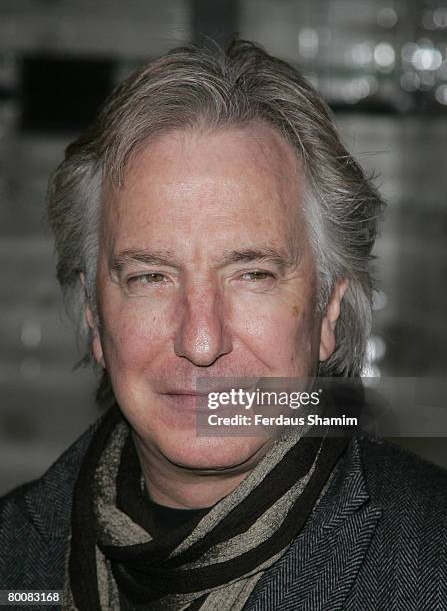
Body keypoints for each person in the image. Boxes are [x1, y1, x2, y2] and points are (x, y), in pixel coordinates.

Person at [1, 39, 446, 611]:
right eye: (150, 277)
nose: (202, 341)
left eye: (253, 274)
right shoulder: (14, 557)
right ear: (93, 314)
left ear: (328, 311)